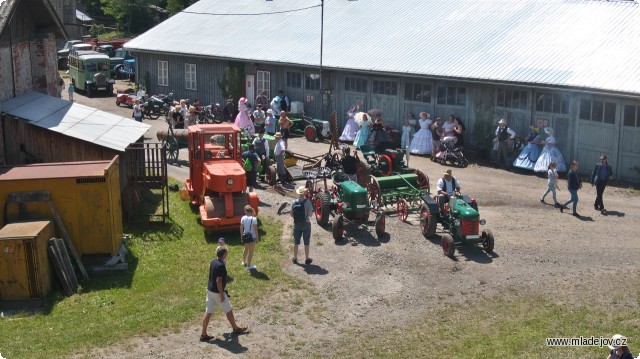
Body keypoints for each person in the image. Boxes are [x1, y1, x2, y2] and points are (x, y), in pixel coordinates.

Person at [200, 246, 248, 342]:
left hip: (210, 291)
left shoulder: (213, 261)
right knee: (228, 309)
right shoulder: (221, 266)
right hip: (218, 292)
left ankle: (203, 334)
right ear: (224, 254)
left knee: (208, 311)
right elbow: (218, 281)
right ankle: (235, 328)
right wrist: (222, 294)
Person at [291, 186, 314, 265]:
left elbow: (291, 214)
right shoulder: (307, 202)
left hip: (297, 224)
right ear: (304, 193)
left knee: (296, 242)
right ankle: (307, 259)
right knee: (306, 242)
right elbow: (311, 215)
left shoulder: (294, 202)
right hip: (306, 224)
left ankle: (295, 258)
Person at [240, 205, 259, 270]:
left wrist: (241, 236)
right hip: (252, 237)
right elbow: (255, 229)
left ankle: (243, 261)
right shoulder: (254, 219)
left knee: (245, 249)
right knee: (250, 252)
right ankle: (249, 265)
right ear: (251, 211)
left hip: (245, 236)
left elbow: (241, 227)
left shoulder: (243, 218)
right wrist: (257, 238)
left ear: (245, 211)